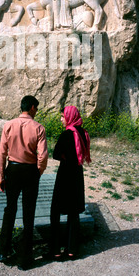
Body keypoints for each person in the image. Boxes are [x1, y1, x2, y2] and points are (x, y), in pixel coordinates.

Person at [0, 95, 48, 270]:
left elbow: (2, 153)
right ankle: (24, 258)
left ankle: (2, 251)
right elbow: (43, 156)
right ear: (32, 107)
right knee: (29, 212)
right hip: (30, 171)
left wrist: (1, 175)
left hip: (13, 169)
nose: (37, 111)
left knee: (9, 210)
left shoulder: (8, 125)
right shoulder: (39, 128)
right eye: (37, 108)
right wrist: (38, 172)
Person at [50, 105, 91, 259]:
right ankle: (72, 248)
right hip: (77, 174)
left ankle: (55, 249)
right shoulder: (84, 133)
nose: (61, 119)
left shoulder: (67, 134)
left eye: (62, 116)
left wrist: (64, 156)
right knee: (73, 212)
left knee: (55, 209)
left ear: (69, 117)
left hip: (65, 174)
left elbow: (55, 154)